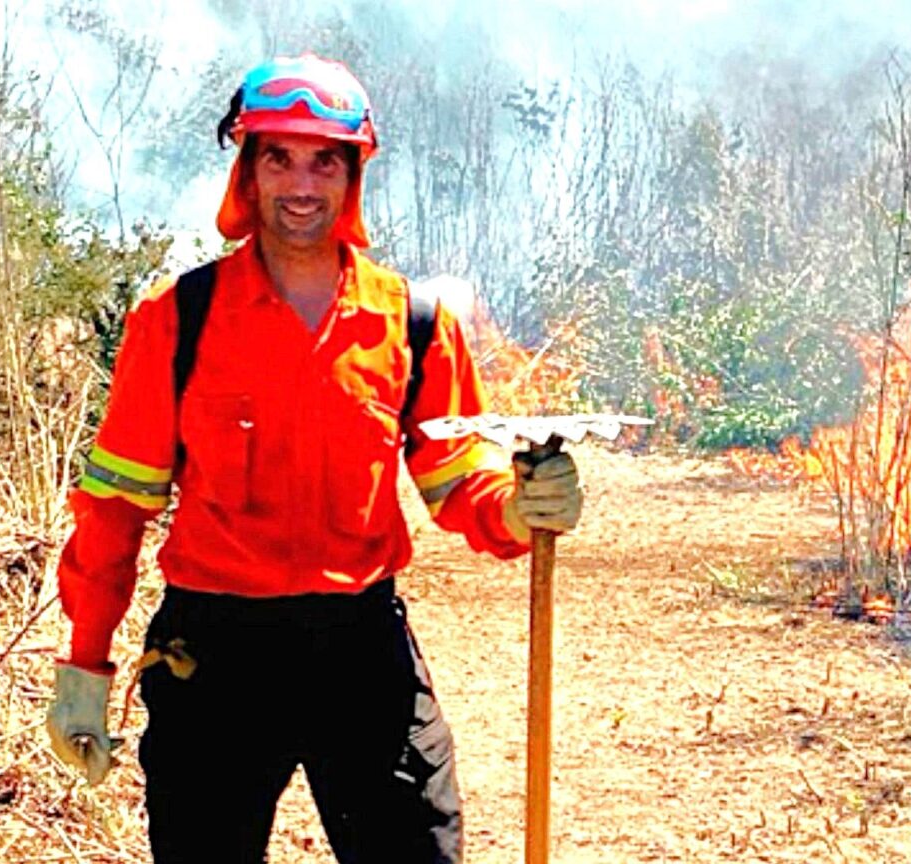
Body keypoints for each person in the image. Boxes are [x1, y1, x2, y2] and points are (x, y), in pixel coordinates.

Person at [44, 53, 581, 864]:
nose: (301, 184)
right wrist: (85, 667)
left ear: (354, 174)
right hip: (215, 657)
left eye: (324, 160)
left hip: (361, 652)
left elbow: (457, 483)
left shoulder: (413, 322)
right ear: (248, 170)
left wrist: (516, 507)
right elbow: (116, 510)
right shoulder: (177, 320)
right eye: (280, 158)